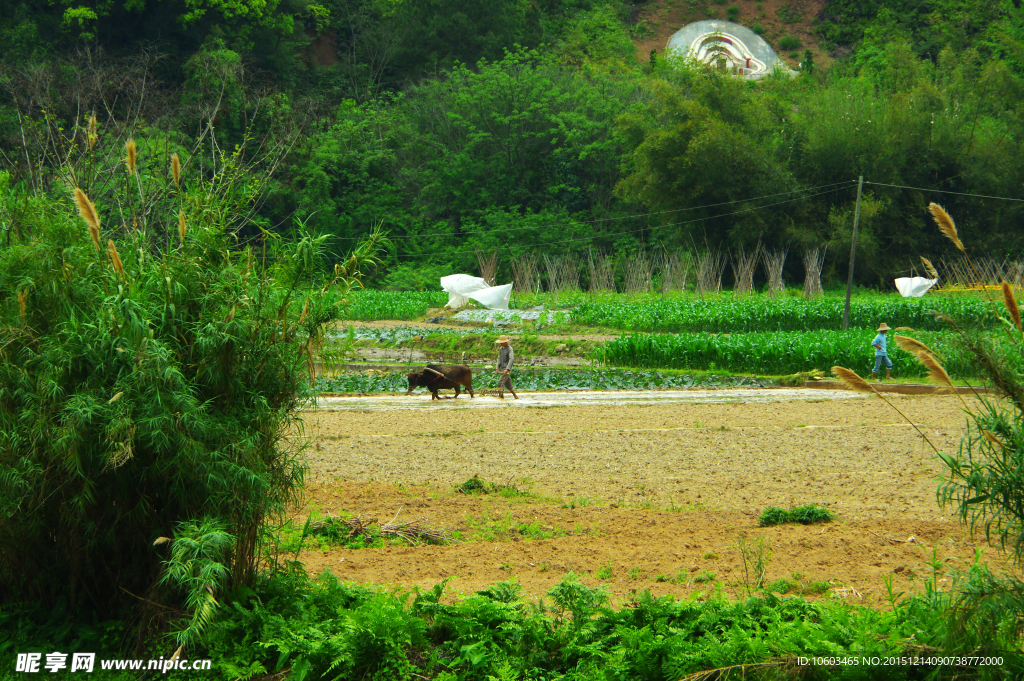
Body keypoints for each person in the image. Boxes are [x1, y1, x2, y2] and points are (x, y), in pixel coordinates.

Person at [494, 335, 519, 399]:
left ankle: (501, 396)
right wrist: (497, 368)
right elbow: (499, 358)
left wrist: (507, 368)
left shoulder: (510, 349)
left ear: (505, 342)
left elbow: (511, 359)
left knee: (501, 382)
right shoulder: (501, 349)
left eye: (502, 342)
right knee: (508, 384)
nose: (501, 344)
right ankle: (515, 396)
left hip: (507, 369)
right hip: (502, 368)